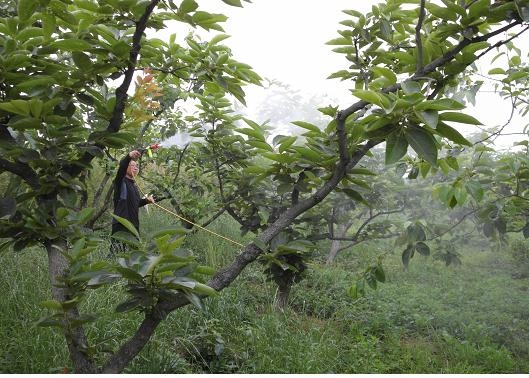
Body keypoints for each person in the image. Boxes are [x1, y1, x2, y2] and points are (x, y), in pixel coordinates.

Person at [110, 150, 155, 253]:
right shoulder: (120, 181)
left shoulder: (134, 186)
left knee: (134, 254)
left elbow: (136, 203)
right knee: (117, 251)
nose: (135, 168)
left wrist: (146, 201)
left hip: (134, 225)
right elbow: (121, 168)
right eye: (132, 165)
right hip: (121, 223)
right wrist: (129, 156)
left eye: (137, 166)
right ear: (126, 167)